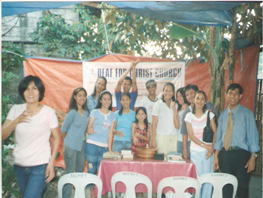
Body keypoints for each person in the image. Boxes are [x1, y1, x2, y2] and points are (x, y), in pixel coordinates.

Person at [2, 75, 60, 198]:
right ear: (22, 92)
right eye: (27, 89)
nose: (30, 92)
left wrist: (51, 163)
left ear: (40, 91)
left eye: (34, 88)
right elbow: (2, 135)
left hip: (40, 166)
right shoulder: (16, 110)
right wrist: (16, 121)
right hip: (20, 165)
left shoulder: (48, 112)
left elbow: (57, 137)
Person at [213, 83, 260, 198]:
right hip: (225, 155)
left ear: (240, 96)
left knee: (242, 188)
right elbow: (219, 137)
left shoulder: (246, 113)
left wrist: (253, 158)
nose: (232, 96)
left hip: (241, 155)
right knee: (226, 188)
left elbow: (253, 136)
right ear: (226, 95)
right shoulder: (223, 115)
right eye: (230, 93)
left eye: (236, 94)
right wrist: (216, 156)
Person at [185, 91, 217, 198]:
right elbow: (191, 135)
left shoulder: (210, 114)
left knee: (208, 178)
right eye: (197, 98)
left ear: (205, 101)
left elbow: (215, 132)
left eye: (202, 99)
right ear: (193, 100)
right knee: (196, 179)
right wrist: (205, 146)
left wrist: (211, 148)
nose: (199, 101)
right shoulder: (189, 116)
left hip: (209, 153)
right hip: (195, 151)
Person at [85, 90, 116, 198]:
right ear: (101, 101)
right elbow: (88, 128)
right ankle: (90, 195)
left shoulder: (113, 115)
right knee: (91, 170)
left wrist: (110, 149)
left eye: (109, 99)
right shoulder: (94, 112)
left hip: (104, 148)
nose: (107, 101)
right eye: (105, 99)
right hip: (92, 145)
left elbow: (111, 134)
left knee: (101, 172)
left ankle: (99, 195)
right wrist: (89, 131)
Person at [61, 87, 89, 198]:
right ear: (75, 97)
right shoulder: (72, 113)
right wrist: (68, 144)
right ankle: (66, 196)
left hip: (82, 146)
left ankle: (78, 195)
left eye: (84, 95)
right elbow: (63, 130)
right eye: (79, 95)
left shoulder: (86, 113)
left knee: (79, 173)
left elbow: (85, 129)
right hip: (71, 146)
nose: (82, 98)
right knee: (69, 173)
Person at [181, 84, 218, 159]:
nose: (190, 96)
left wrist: (212, 147)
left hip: (209, 148)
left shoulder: (209, 109)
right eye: (187, 95)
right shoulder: (187, 114)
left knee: (208, 170)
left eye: (191, 93)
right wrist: (185, 149)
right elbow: (186, 133)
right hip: (195, 148)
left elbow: (216, 130)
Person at [152, 82, 180, 155]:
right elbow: (154, 124)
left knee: (173, 162)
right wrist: (153, 139)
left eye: (170, 91)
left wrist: (174, 109)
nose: (168, 93)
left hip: (173, 137)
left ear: (173, 93)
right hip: (161, 137)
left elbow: (177, 125)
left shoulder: (176, 105)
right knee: (162, 162)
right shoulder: (158, 104)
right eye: (166, 90)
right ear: (163, 92)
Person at [139, 79, 158, 146]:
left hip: (158, 131)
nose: (151, 89)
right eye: (149, 88)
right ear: (147, 89)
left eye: (153, 87)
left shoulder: (160, 101)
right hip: (147, 132)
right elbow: (140, 118)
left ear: (156, 87)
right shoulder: (143, 102)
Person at [176, 87, 190, 153]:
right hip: (179, 139)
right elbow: (177, 126)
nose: (179, 98)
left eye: (181, 96)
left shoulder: (189, 108)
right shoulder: (179, 109)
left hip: (188, 140)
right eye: (177, 96)